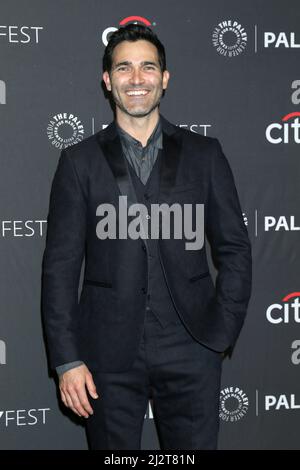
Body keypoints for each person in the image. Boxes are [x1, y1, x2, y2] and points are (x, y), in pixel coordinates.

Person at [42, 23, 252, 450]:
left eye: (147, 67)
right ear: (108, 81)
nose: (136, 79)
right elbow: (60, 270)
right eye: (124, 68)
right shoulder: (78, 162)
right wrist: (67, 360)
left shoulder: (204, 154)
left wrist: (221, 332)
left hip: (193, 347)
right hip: (105, 357)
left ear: (165, 78)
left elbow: (234, 248)